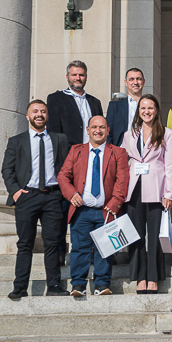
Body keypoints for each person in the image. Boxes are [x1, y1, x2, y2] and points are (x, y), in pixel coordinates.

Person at [1, 100, 69, 299]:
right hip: (27, 196)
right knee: (25, 244)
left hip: (52, 196)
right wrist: (15, 191)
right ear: (28, 116)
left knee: (53, 243)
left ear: (47, 116)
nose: (39, 114)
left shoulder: (59, 139)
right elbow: (7, 169)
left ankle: (54, 286)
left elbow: (66, 169)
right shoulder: (16, 141)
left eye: (43, 111)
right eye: (35, 111)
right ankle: (20, 286)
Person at [58, 116, 129, 297]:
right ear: (88, 130)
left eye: (102, 127)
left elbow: (122, 180)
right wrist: (72, 193)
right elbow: (63, 176)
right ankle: (78, 285)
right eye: (95, 127)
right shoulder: (76, 151)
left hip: (107, 210)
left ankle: (102, 284)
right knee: (79, 249)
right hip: (81, 211)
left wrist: (115, 202)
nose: (98, 130)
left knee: (106, 249)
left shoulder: (118, 152)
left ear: (108, 130)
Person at [46, 60, 104, 266]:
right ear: (67, 77)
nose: (78, 78)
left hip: (94, 161)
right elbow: (53, 133)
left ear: (86, 77)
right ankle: (62, 251)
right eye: (74, 75)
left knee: (93, 205)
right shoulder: (56, 99)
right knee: (65, 207)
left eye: (81, 75)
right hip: (68, 161)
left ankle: (98, 250)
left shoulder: (95, 102)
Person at [121, 94, 172, 294]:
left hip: (156, 190)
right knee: (136, 235)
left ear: (156, 111)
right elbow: (121, 162)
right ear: (138, 111)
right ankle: (140, 276)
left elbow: (171, 166)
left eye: (150, 108)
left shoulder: (167, 134)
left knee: (154, 236)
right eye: (143, 108)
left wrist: (169, 193)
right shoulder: (130, 135)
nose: (147, 112)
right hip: (134, 190)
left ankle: (153, 277)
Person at [106, 68, 145, 147]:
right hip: (121, 152)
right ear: (126, 82)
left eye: (138, 79)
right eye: (131, 79)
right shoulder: (115, 107)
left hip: (145, 153)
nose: (135, 82)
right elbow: (108, 133)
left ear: (143, 82)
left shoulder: (151, 106)